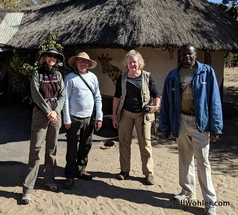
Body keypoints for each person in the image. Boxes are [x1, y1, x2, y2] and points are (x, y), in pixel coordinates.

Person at [160, 43, 223, 215]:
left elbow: (214, 100)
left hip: (200, 123)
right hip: (181, 121)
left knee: (203, 163)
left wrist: (216, 126)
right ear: (179, 56)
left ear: (196, 55)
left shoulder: (207, 72)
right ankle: (187, 192)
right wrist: (165, 126)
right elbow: (166, 102)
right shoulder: (173, 75)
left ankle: (210, 202)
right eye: (184, 55)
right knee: (184, 159)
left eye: (190, 54)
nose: (187, 57)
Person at [21, 48, 66, 205]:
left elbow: (62, 95)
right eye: (49, 56)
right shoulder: (37, 73)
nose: (52, 58)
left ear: (57, 59)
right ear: (45, 58)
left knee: (52, 150)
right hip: (41, 114)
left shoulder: (59, 75)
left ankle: (49, 179)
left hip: (55, 114)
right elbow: (35, 94)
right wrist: (48, 111)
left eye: (55, 57)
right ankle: (27, 189)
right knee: (35, 150)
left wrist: (56, 111)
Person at [112, 50, 160, 185]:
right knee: (124, 143)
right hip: (125, 114)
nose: (133, 64)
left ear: (139, 63)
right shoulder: (122, 78)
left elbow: (156, 94)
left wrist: (156, 106)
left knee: (145, 144)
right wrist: (115, 116)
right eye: (130, 62)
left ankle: (149, 173)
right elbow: (116, 97)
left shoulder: (147, 76)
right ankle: (124, 171)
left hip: (142, 115)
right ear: (126, 64)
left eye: (135, 61)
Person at [63, 52, 103, 189]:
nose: (83, 63)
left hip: (89, 117)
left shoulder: (93, 77)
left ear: (89, 64)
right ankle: (69, 174)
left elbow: (97, 97)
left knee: (86, 145)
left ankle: (81, 169)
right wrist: (67, 118)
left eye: (85, 61)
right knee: (72, 148)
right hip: (74, 118)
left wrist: (99, 117)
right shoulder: (70, 78)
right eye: (80, 61)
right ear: (76, 63)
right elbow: (65, 100)